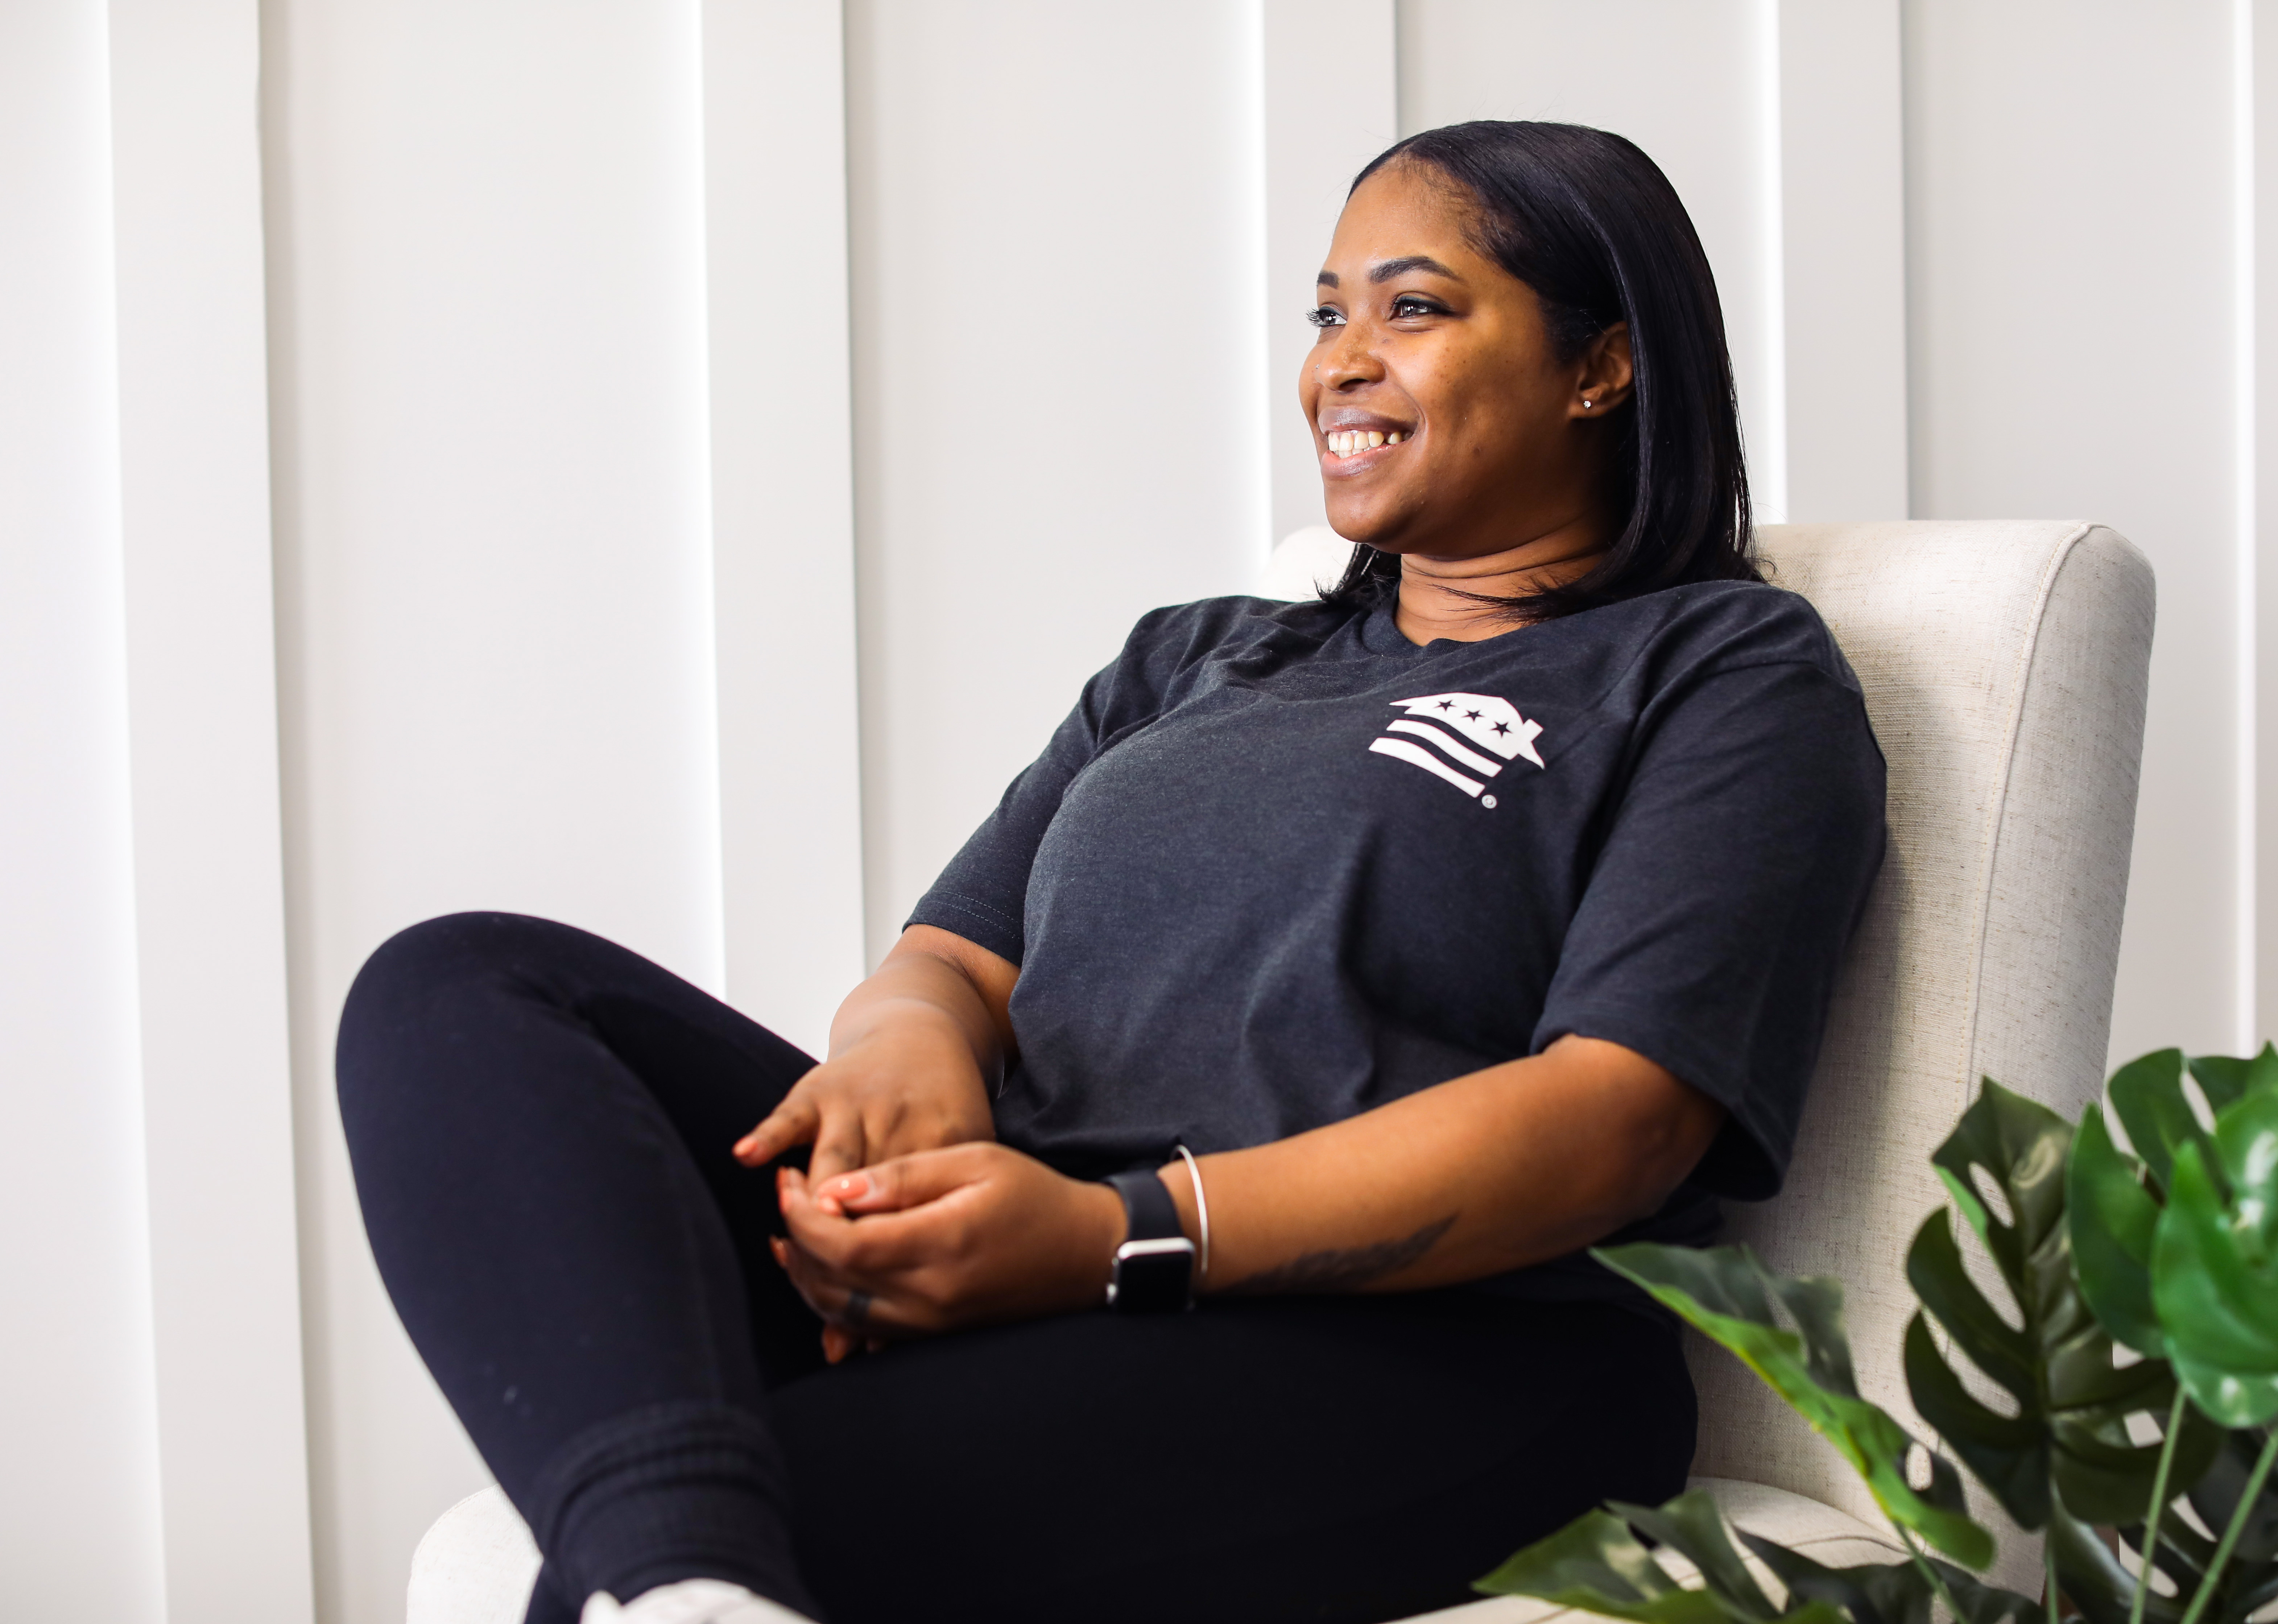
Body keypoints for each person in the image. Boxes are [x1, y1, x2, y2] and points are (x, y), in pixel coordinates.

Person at [340, 120, 1886, 1624]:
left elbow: (1614, 1115)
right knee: (468, 980)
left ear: (1603, 364)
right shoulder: (1203, 653)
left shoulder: (1723, 669)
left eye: (1413, 307)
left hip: (1434, 1345)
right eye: (1327, 314)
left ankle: (667, 1563)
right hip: (1016, 1252)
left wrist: (1111, 1237)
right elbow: (950, 955)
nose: (1339, 361)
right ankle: (681, 1585)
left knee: (715, 1527)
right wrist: (908, 1060)